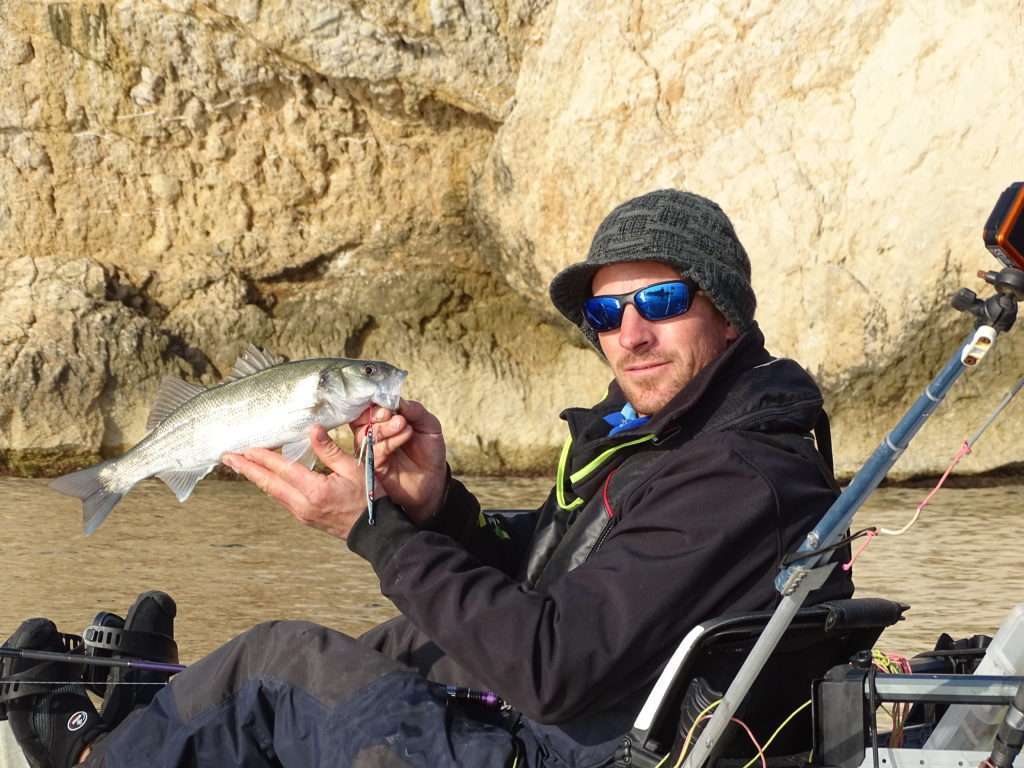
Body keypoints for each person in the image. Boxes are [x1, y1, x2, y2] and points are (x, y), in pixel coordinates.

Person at [2, 190, 853, 768]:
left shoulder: (739, 473)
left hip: (587, 747)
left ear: (727, 309)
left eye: (660, 304)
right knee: (405, 643)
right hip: (592, 716)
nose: (629, 334)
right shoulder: (683, 440)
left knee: (276, 663)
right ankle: (152, 727)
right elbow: (568, 575)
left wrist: (374, 529)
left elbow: (554, 665)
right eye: (605, 314)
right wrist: (437, 507)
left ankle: (95, 755)